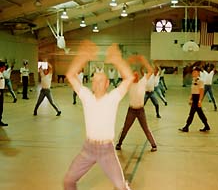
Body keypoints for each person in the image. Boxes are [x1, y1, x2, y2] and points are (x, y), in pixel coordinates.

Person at [64, 41, 133, 190]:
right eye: (94, 81)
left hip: (106, 150)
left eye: (100, 81)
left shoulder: (113, 98)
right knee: (68, 181)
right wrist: (82, 57)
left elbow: (129, 78)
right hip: (88, 148)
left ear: (107, 83)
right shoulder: (86, 96)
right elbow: (70, 75)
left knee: (121, 187)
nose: (97, 84)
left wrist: (117, 60)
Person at [116, 55, 157, 152]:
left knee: (145, 128)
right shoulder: (129, 84)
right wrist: (128, 62)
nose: (135, 77)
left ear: (139, 76)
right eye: (133, 75)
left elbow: (151, 71)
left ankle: (153, 145)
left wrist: (144, 61)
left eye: (137, 75)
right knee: (126, 127)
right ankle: (119, 143)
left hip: (140, 110)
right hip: (132, 110)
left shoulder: (143, 82)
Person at [179, 66, 211, 132]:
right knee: (200, 114)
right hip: (194, 97)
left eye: (195, 72)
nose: (193, 73)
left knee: (192, 113)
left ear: (198, 73)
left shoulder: (200, 81)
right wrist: (190, 98)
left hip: (197, 98)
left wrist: (200, 101)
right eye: (193, 72)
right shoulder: (194, 80)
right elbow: (193, 90)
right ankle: (207, 126)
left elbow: (201, 91)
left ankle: (186, 127)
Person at [0, 61, 8, 126]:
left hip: (1, 91)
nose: (4, 68)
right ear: (1, 67)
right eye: (4, 67)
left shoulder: (1, 73)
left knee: (1, 107)